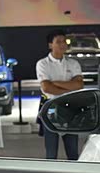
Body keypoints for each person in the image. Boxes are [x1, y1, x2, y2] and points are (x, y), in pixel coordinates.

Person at [36, 29, 84, 160]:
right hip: (51, 108)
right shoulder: (43, 64)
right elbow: (46, 87)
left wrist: (55, 83)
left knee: (73, 151)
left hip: (71, 108)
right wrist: (69, 88)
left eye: (64, 41)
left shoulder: (73, 63)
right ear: (50, 45)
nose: (62, 44)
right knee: (51, 151)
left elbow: (79, 85)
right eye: (58, 42)